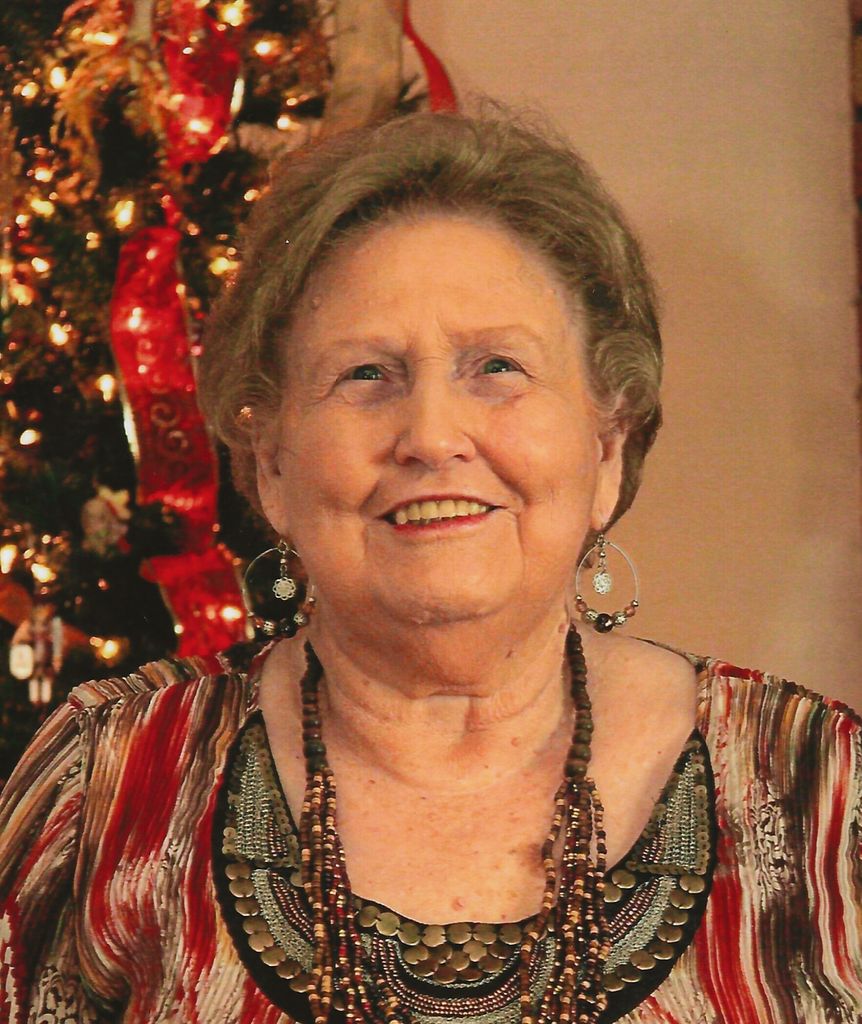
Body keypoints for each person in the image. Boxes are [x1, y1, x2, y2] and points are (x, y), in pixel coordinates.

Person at [0, 109, 860, 1024]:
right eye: (367, 375)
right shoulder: (109, 785)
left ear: (607, 446)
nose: (433, 436)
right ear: (271, 464)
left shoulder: (820, 794)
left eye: (498, 367)